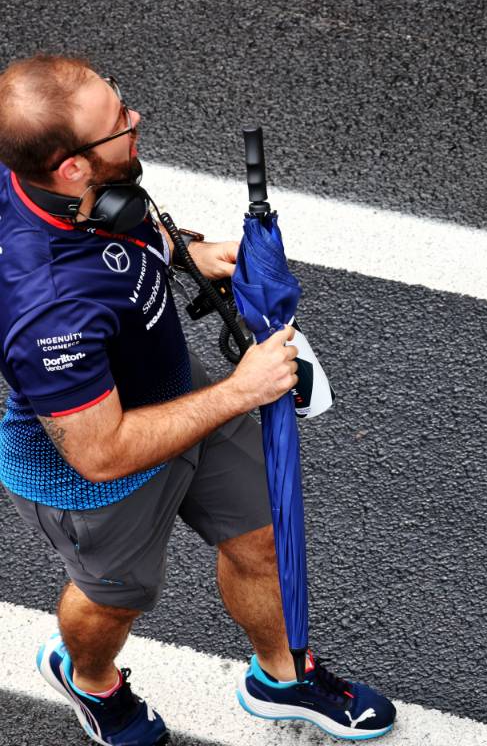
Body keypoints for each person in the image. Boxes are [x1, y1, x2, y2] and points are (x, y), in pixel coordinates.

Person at [0, 55, 395, 743]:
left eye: (118, 97)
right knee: (113, 601)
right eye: (118, 121)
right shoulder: (47, 309)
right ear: (70, 169)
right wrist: (242, 391)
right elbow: (101, 451)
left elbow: (122, 227)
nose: (135, 118)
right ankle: (88, 679)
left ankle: (283, 675)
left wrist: (188, 252)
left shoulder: (77, 183)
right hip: (95, 471)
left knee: (265, 540)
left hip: (179, 398)